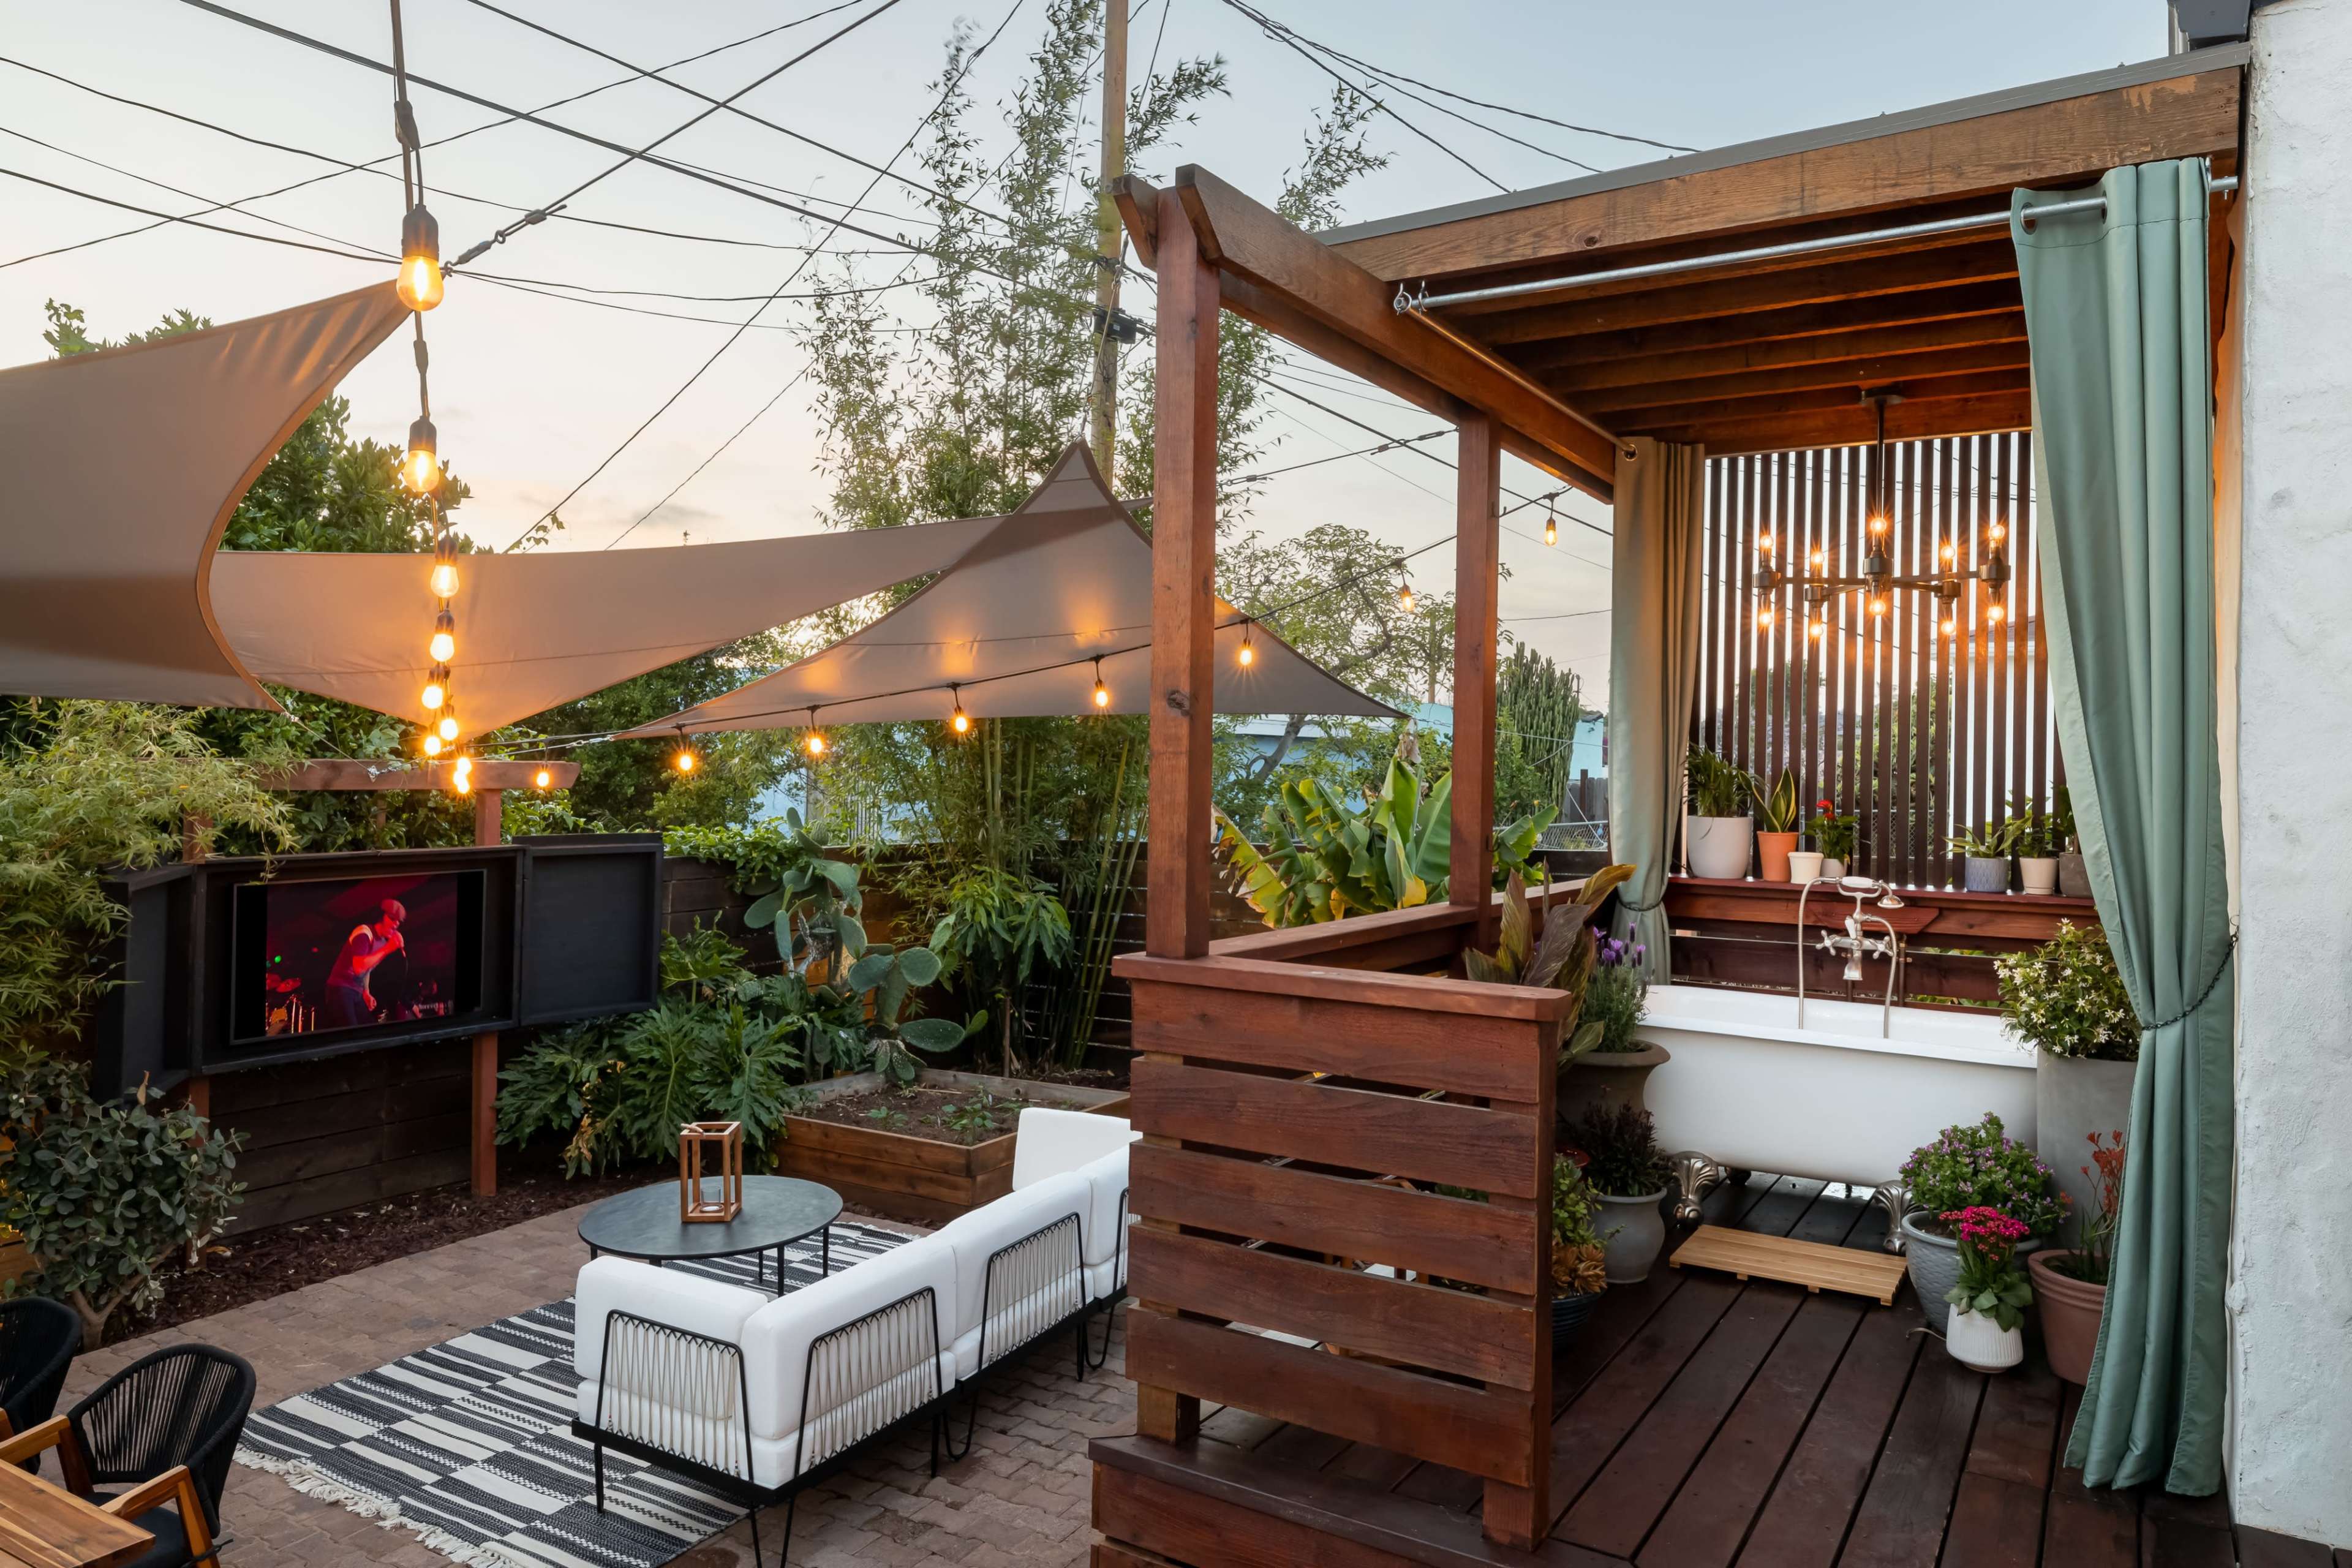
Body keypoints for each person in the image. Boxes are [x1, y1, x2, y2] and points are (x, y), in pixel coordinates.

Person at [322, 899, 405, 1029]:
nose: (396, 924)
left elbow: (367, 970)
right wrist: (388, 949)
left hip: (357, 991)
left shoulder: (383, 943)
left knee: (370, 1029)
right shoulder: (364, 932)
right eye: (392, 918)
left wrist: (366, 992)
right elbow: (359, 967)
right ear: (380, 916)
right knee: (352, 1034)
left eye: (398, 922)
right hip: (340, 988)